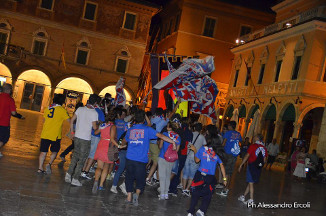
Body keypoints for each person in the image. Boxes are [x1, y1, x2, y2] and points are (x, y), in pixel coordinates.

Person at [121, 110, 176, 206]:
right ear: (144, 119)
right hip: (141, 160)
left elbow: (125, 140)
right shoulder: (147, 129)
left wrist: (122, 145)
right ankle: (137, 194)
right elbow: (161, 136)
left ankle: (129, 196)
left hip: (130, 157)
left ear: (134, 119)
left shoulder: (130, 130)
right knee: (141, 179)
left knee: (129, 177)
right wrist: (172, 142)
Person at [187, 137, 227, 216]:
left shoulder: (202, 149)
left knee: (195, 194)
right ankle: (201, 211)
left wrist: (195, 150)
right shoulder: (217, 153)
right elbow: (222, 166)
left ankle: (191, 212)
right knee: (208, 194)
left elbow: (196, 160)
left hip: (199, 174)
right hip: (210, 177)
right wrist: (224, 179)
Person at [65, 94, 99, 186]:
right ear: (96, 103)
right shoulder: (94, 113)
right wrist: (98, 124)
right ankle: (75, 179)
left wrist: (72, 133)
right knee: (82, 159)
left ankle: (68, 174)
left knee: (75, 156)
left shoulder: (80, 109)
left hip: (77, 136)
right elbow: (95, 127)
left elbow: (72, 121)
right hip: (86, 138)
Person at [38, 94, 70, 174]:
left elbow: (44, 121)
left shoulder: (48, 108)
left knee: (43, 151)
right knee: (55, 151)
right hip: (56, 135)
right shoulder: (62, 110)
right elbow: (69, 121)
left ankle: (40, 168)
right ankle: (49, 164)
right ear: (62, 101)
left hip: (45, 133)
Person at [92, 110, 122, 193]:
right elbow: (112, 139)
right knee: (106, 167)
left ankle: (96, 181)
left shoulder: (103, 125)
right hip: (108, 147)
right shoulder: (113, 127)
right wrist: (119, 146)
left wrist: (100, 126)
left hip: (101, 144)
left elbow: (95, 132)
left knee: (99, 167)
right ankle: (101, 185)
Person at [238, 134, 268, 205]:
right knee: (250, 182)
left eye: (254, 137)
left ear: (257, 138)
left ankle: (251, 199)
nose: (253, 138)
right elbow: (265, 159)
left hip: (251, 166)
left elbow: (247, 155)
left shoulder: (253, 146)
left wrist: (241, 164)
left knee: (251, 183)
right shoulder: (264, 148)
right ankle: (243, 196)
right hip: (258, 167)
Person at [81, 95, 105, 179]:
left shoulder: (85, 109)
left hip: (86, 134)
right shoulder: (99, 111)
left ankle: (82, 169)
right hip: (95, 134)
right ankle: (85, 171)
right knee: (92, 154)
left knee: (86, 153)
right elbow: (102, 124)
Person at [169, 117, 193, 196]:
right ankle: (172, 188)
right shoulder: (186, 132)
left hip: (170, 153)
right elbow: (185, 144)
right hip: (181, 154)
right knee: (176, 172)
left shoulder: (172, 131)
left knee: (171, 170)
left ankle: (168, 187)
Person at [217, 121, 242, 197]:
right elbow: (240, 142)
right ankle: (227, 187)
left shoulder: (228, 133)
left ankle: (225, 189)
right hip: (234, 155)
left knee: (226, 172)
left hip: (227, 154)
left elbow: (224, 143)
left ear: (230, 126)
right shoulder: (238, 134)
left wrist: (219, 149)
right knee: (230, 173)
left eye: (228, 125)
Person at [0, 83, 25, 158]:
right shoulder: (10, 100)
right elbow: (13, 113)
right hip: (4, 123)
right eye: (11, 89)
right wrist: (20, 116)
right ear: (8, 90)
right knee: (4, 138)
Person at [158, 121, 181, 200]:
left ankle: (162, 194)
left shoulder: (164, 134)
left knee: (162, 175)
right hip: (171, 159)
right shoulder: (178, 136)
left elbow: (160, 146)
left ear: (169, 128)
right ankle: (166, 193)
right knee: (168, 176)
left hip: (162, 156)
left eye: (167, 126)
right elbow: (177, 150)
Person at [182, 123, 206, 197]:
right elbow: (204, 146)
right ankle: (187, 189)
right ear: (201, 129)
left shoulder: (190, 134)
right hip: (196, 157)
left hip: (188, 155)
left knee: (185, 173)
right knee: (192, 175)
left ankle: (183, 188)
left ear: (194, 128)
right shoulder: (202, 137)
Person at [111, 108, 128, 194]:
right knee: (121, 166)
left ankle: (113, 175)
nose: (123, 116)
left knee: (115, 161)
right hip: (122, 146)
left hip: (115, 143)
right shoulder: (125, 125)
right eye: (123, 114)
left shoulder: (114, 123)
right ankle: (115, 183)